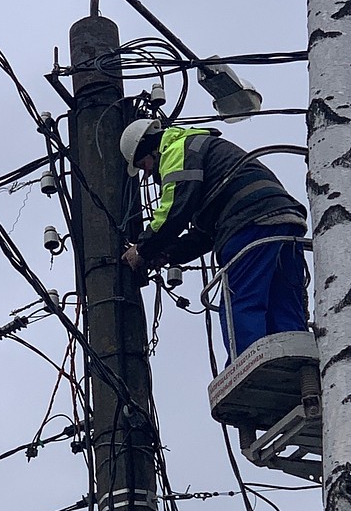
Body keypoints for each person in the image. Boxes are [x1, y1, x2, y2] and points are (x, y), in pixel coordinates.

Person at [119, 119, 309, 358]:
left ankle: (247, 366)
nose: (146, 173)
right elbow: (204, 236)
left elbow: (174, 211)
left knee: (240, 302)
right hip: (284, 221)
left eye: (143, 164)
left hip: (249, 222)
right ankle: (296, 366)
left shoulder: (177, 149)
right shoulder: (206, 157)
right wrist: (167, 253)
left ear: (151, 148)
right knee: (282, 304)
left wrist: (142, 250)